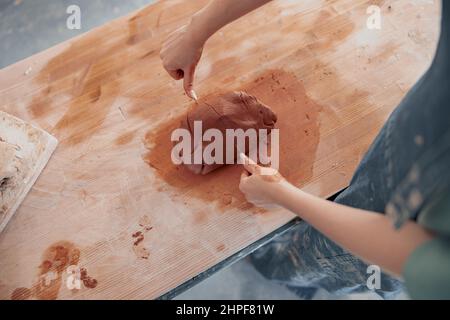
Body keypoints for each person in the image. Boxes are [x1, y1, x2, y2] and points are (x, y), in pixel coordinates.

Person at [160, 0, 450, 299]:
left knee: (318, 258)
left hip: (391, 241)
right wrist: (198, 27)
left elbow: (414, 259)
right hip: (420, 127)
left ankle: (282, 267)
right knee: (349, 198)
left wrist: (281, 194)